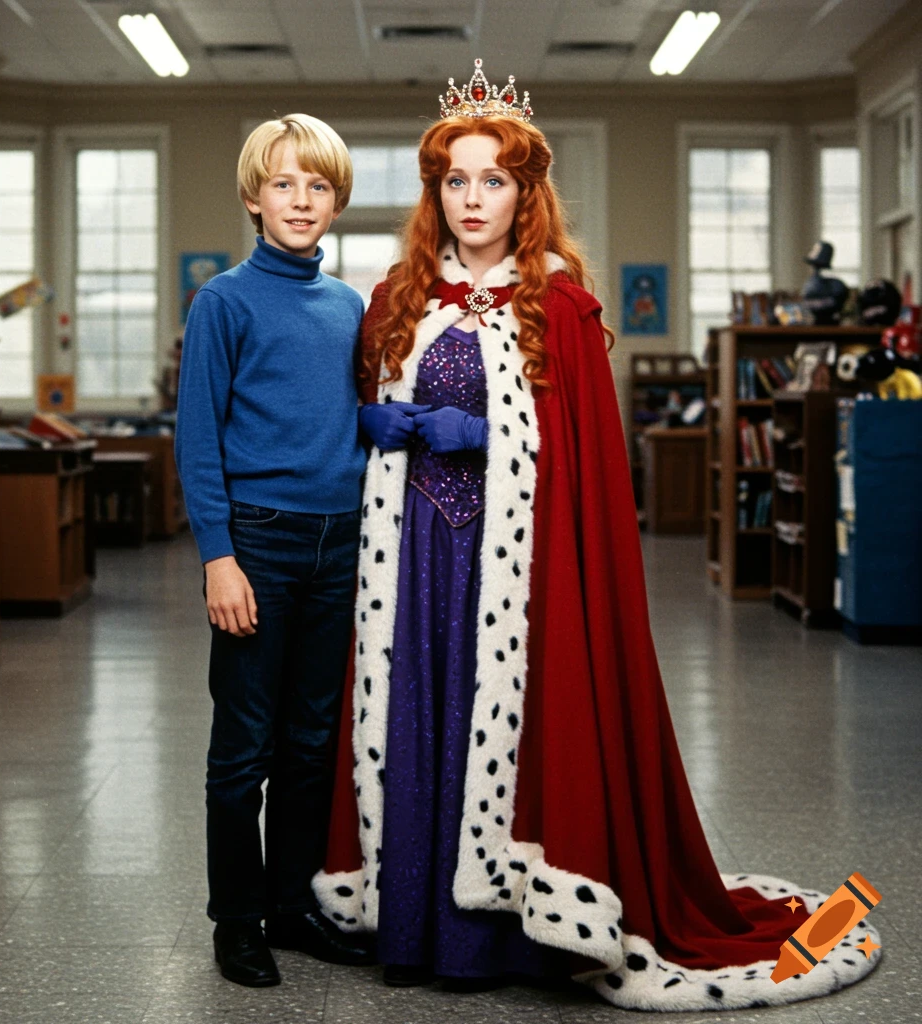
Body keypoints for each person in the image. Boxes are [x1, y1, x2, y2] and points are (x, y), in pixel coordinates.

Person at [312, 61, 880, 1010]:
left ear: (526, 191)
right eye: (455, 180)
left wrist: (487, 435)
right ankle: (411, 926)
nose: (472, 199)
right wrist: (382, 423)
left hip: (523, 571)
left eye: (493, 179)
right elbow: (366, 414)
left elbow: (580, 464)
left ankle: (510, 940)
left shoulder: (560, 306)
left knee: (507, 732)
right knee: (416, 720)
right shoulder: (395, 301)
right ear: (434, 191)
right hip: (413, 564)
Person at [175, 113, 375, 988]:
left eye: (318, 186)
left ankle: (292, 907)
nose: (301, 200)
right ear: (255, 198)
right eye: (285, 184)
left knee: (312, 740)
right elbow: (196, 440)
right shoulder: (223, 301)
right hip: (258, 542)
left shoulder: (349, 307)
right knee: (244, 745)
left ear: (336, 202)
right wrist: (220, 556)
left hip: (343, 543)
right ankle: (237, 919)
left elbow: (353, 420)